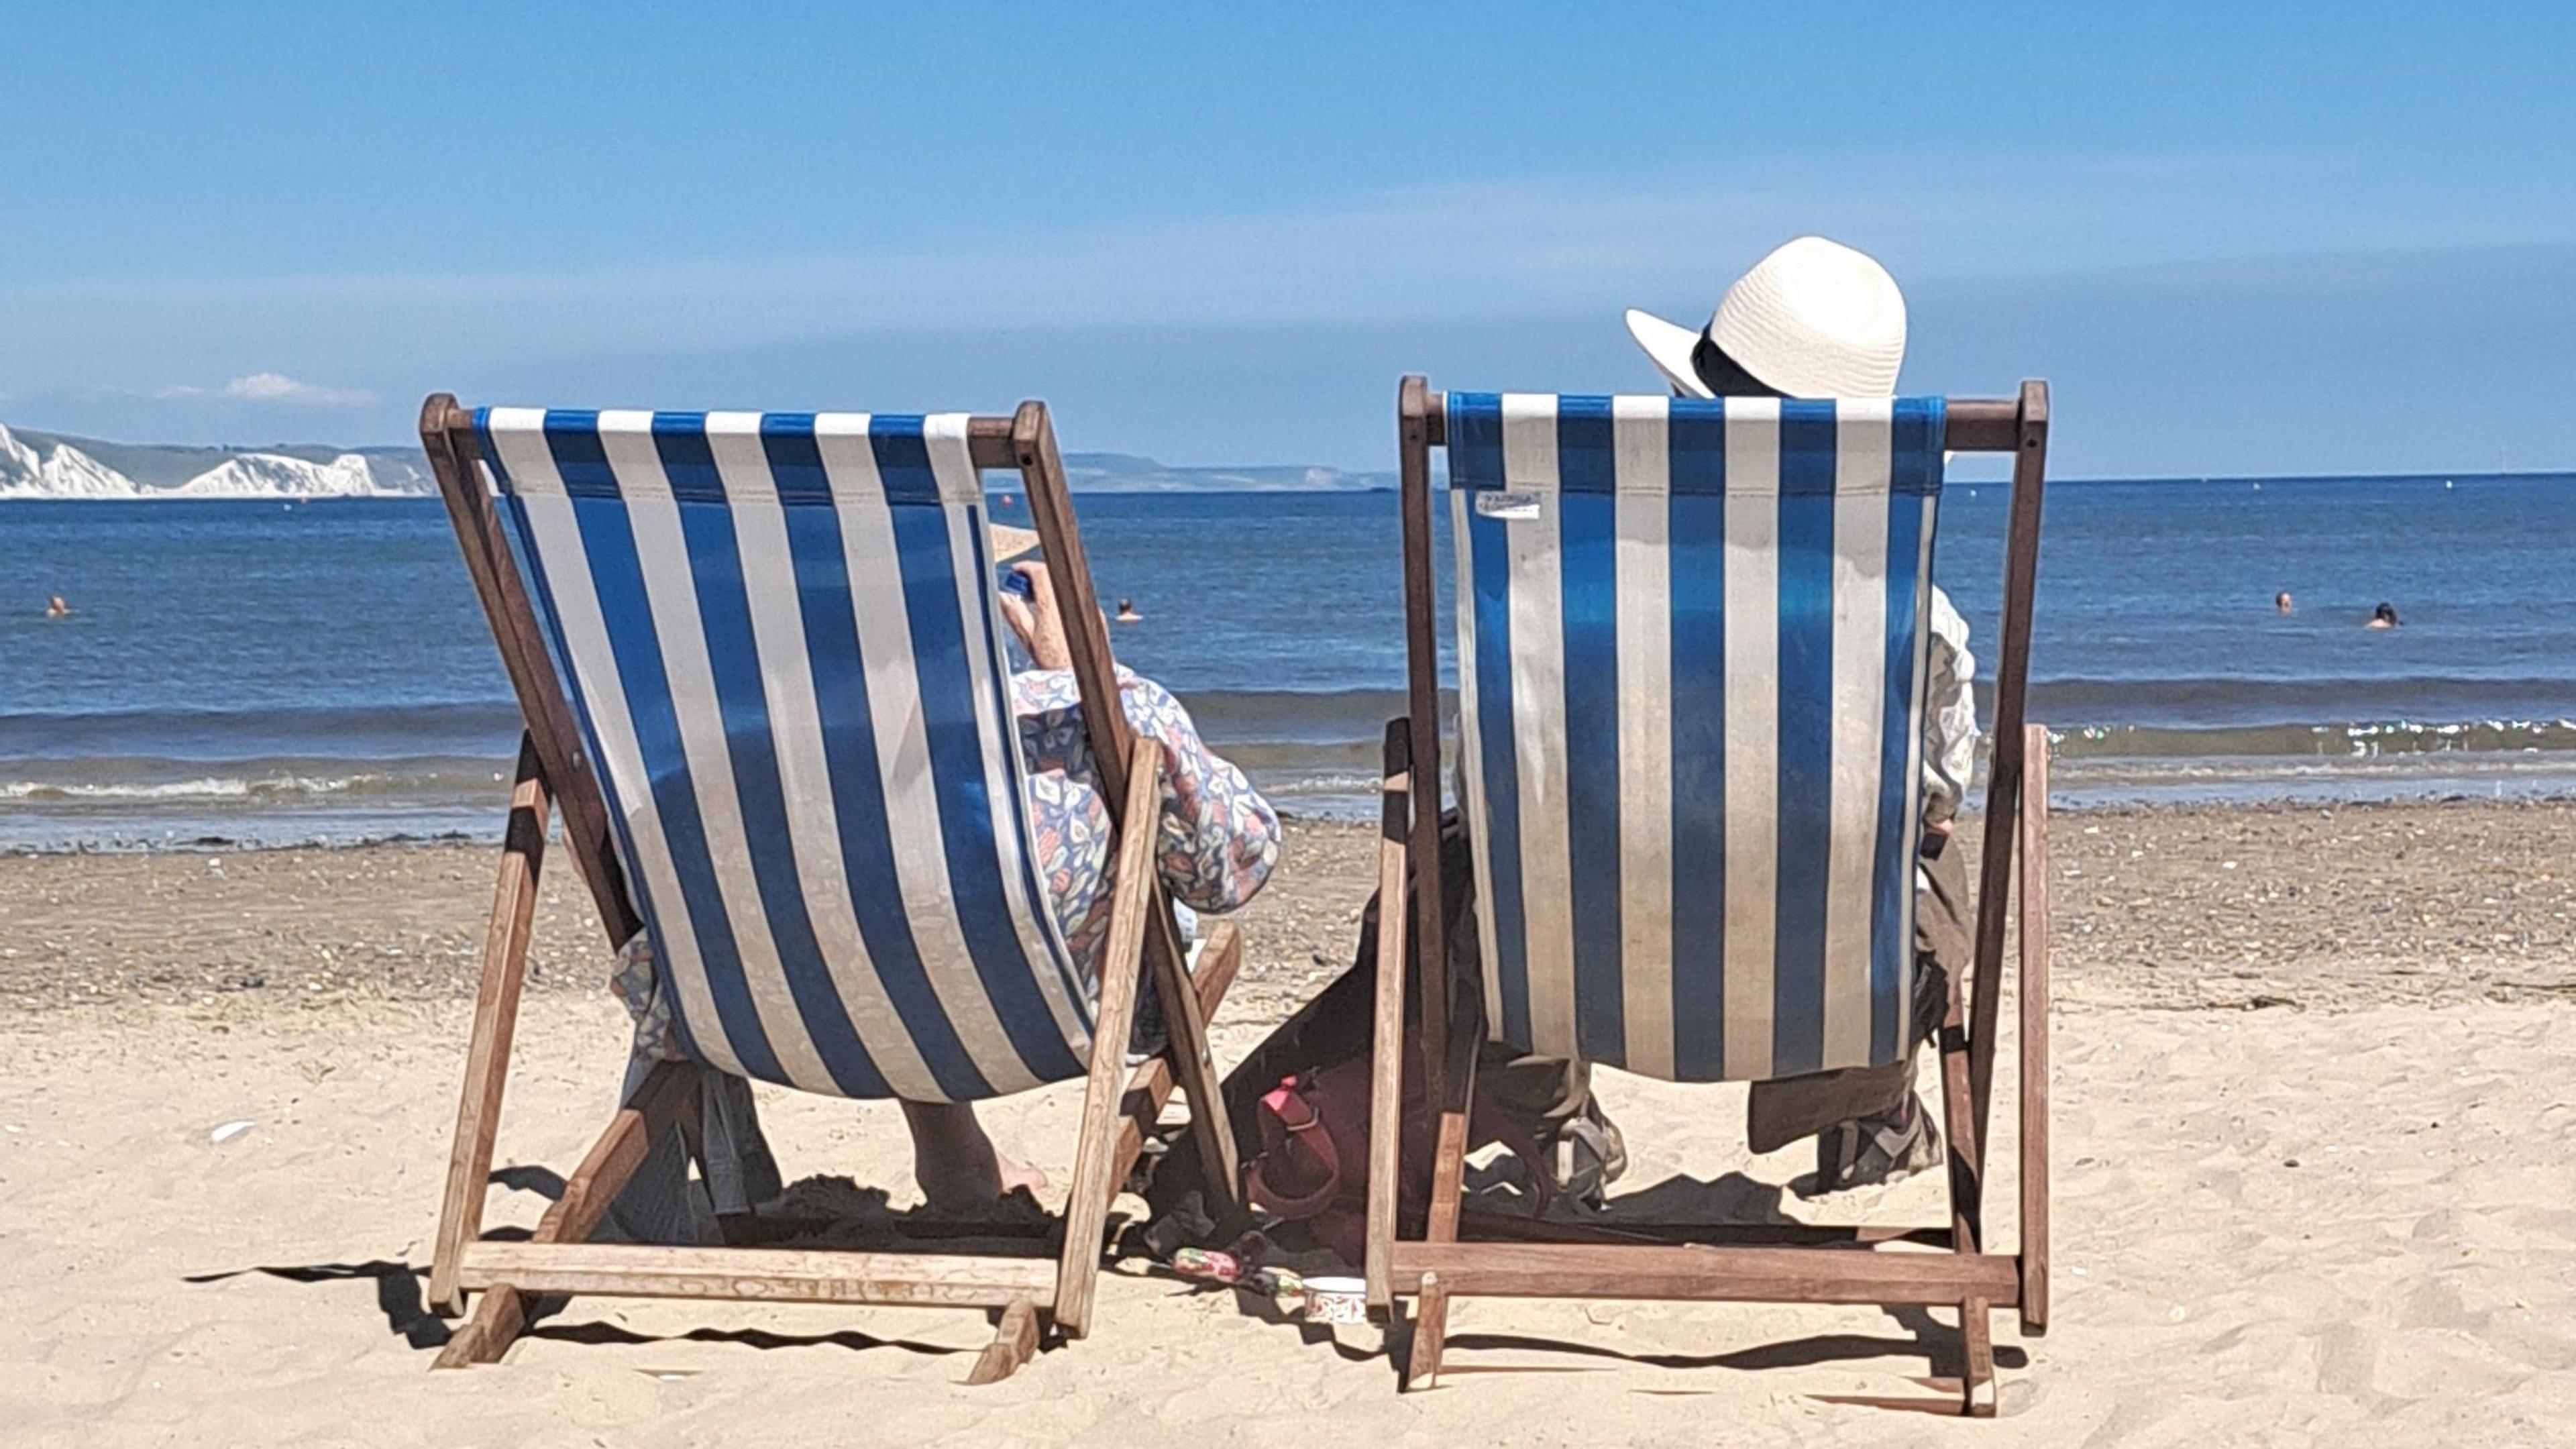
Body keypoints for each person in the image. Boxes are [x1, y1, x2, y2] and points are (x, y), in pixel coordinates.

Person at [607, 530, 1279, 1238]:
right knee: (939, 908)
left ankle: (957, 1162)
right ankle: (965, 1167)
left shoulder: (706, 753)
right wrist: (1085, 675)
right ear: (955, 603)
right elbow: (1230, 868)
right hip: (1031, 1017)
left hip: (776, 1023)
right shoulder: (1063, 717)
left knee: (882, 897)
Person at [1626, 235, 1975, 1191]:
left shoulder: (1574, 589)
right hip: (1825, 970)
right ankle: (1872, 1107)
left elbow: (1495, 773)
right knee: (1922, 877)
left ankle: (1548, 1119)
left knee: (1454, 872)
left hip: (1586, 964)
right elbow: (1941, 799)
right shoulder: (1910, 609)